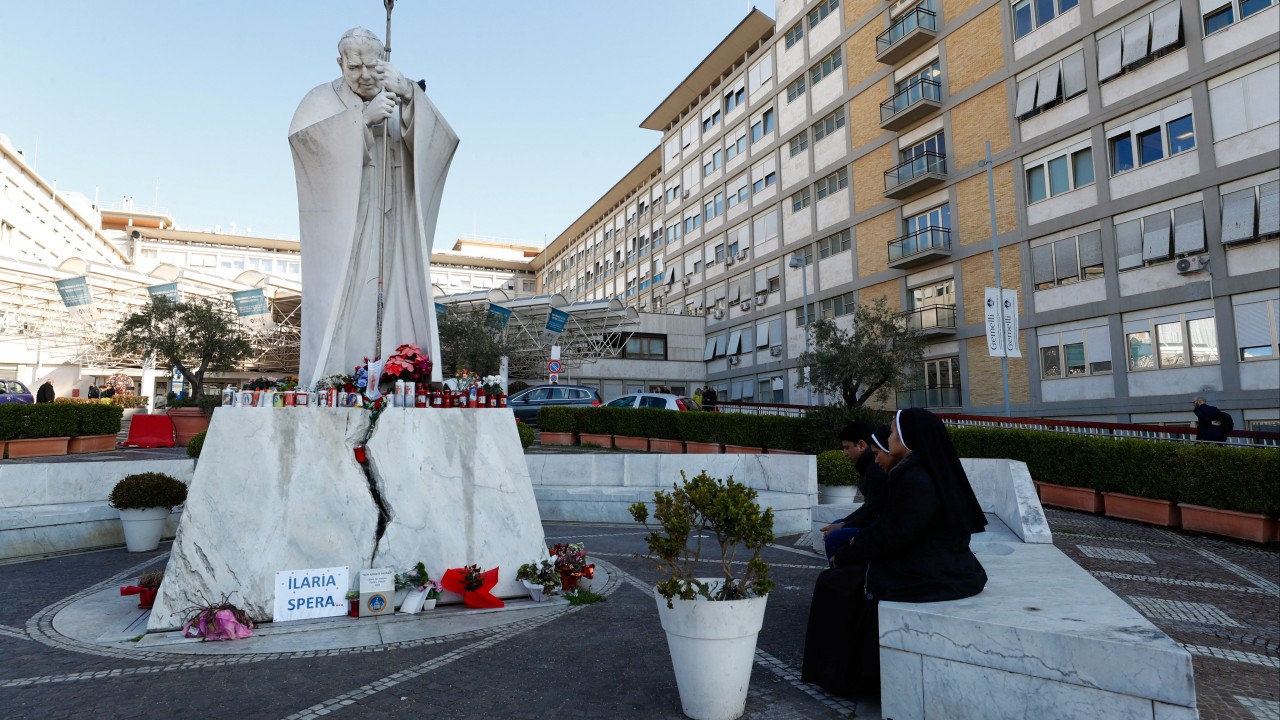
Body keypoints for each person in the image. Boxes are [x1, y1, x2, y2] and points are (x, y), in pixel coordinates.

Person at [290, 27, 457, 389]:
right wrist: (362, 121)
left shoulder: (399, 90)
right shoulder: (320, 100)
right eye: (354, 67)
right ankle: (337, 377)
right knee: (348, 296)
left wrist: (411, 96)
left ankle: (401, 370)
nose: (365, 75)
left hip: (395, 220)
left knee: (399, 287)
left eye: (372, 65)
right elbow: (305, 144)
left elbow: (443, 141)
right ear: (340, 63)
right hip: (348, 222)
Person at [802, 408, 988, 697]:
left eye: (891, 432)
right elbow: (892, 528)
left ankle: (849, 681)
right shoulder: (916, 472)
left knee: (835, 584)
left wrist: (850, 553)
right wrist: (854, 548)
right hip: (927, 560)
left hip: (930, 570)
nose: (888, 438)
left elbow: (892, 534)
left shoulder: (917, 479)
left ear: (906, 437)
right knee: (841, 579)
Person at [819, 422, 890, 564]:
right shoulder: (868, 466)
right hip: (875, 523)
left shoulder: (874, 468)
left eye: (847, 447)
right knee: (836, 524)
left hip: (880, 527)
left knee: (835, 537)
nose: (844, 453)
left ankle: (841, 575)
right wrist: (843, 523)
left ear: (862, 445)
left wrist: (843, 527)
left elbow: (872, 512)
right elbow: (868, 505)